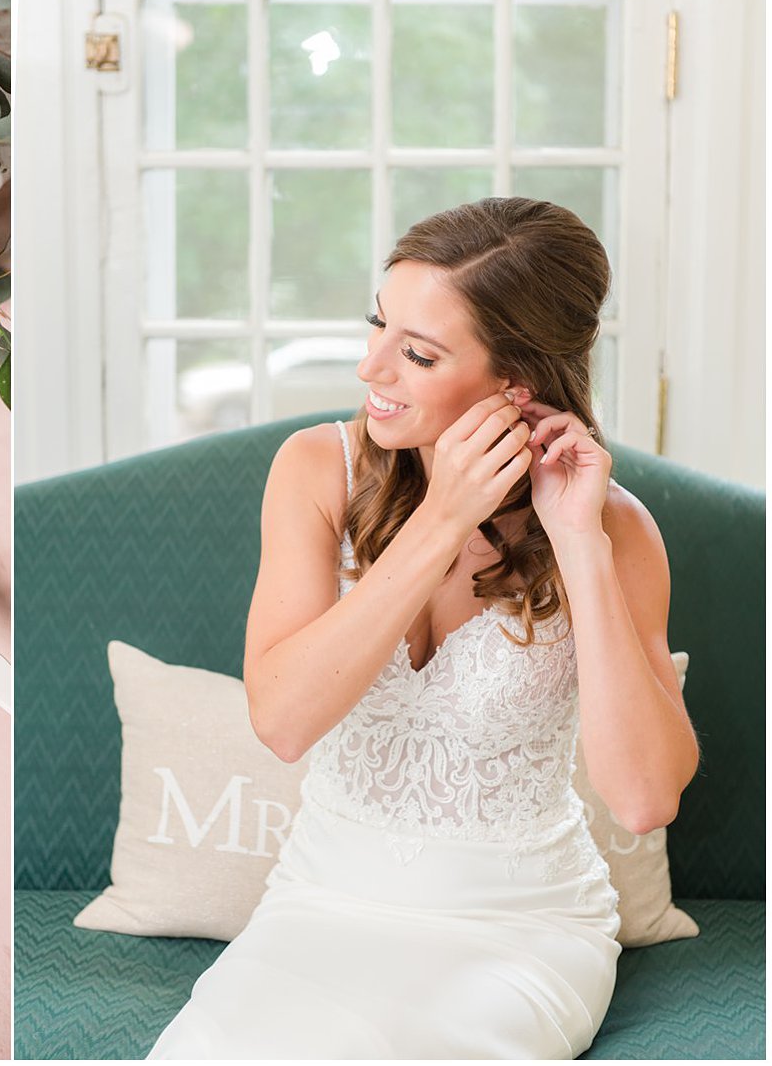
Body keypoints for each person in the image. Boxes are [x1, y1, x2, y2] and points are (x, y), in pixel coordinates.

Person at [148, 198, 699, 1060]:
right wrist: (441, 519)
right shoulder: (313, 471)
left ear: (516, 381)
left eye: (417, 352)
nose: (372, 366)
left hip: (519, 934)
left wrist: (580, 546)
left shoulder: (615, 531)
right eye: (378, 325)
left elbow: (644, 796)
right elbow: (283, 723)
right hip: (317, 911)